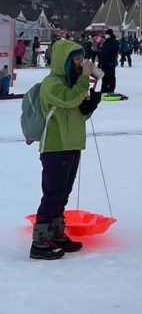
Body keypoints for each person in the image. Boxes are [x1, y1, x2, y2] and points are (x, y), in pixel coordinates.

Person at [30, 39, 101, 259]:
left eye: (81, 58)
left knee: (63, 194)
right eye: (77, 59)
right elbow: (69, 100)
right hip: (55, 146)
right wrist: (83, 81)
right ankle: (39, 242)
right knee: (53, 194)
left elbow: (76, 113)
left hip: (72, 145)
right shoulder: (52, 84)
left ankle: (56, 233)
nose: (80, 63)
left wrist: (90, 105)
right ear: (65, 61)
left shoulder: (72, 84)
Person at [98, 28, 120, 98]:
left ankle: (111, 90)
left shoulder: (115, 42)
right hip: (104, 63)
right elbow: (102, 53)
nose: (106, 36)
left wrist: (112, 62)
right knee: (104, 77)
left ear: (110, 34)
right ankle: (103, 90)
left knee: (111, 77)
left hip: (111, 63)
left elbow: (115, 53)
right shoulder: (105, 42)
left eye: (107, 34)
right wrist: (100, 62)